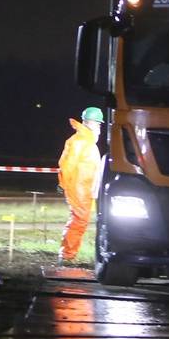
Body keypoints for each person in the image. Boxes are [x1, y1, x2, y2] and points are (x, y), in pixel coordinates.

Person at [57, 106, 105, 264]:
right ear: (89, 122)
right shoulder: (80, 141)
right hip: (78, 188)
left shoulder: (87, 141)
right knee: (79, 221)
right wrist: (63, 183)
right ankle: (67, 256)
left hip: (85, 188)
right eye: (98, 124)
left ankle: (68, 254)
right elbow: (68, 164)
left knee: (80, 221)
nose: (99, 127)